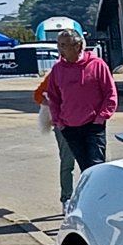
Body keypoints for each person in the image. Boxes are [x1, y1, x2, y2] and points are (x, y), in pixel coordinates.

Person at [46, 30, 118, 178]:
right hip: (69, 127)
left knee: (96, 168)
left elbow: (110, 93)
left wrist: (102, 117)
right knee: (85, 170)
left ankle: (101, 199)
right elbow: (53, 98)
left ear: (77, 46)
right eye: (59, 45)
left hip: (93, 126)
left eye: (64, 45)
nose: (60, 49)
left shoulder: (97, 65)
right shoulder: (57, 69)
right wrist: (58, 121)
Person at [33, 70, 75, 211]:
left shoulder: (91, 68)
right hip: (63, 124)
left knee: (92, 165)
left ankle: (92, 198)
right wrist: (53, 107)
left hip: (88, 123)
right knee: (67, 162)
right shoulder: (57, 72)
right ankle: (67, 198)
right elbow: (38, 95)